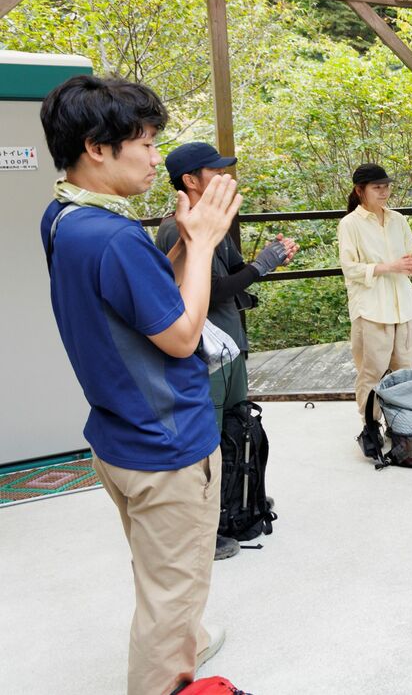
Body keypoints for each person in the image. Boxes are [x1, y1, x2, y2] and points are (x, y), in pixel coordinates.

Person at [39, 75, 240, 695]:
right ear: (97, 147)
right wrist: (205, 243)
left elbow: (149, 300)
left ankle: (188, 636)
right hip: (168, 443)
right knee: (173, 591)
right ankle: (166, 675)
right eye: (147, 144)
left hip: (117, 432)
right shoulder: (116, 236)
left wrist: (182, 243)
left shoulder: (64, 217)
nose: (157, 159)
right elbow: (181, 335)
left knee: (160, 572)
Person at [156, 142, 297, 560]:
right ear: (190, 180)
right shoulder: (173, 228)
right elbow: (212, 289)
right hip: (203, 350)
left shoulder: (216, 224)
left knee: (237, 424)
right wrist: (263, 265)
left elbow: (234, 273)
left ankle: (239, 504)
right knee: (209, 438)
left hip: (231, 343)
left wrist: (266, 260)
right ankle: (205, 526)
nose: (223, 177)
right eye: (214, 171)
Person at [337, 163, 412, 426]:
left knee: (404, 371)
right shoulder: (350, 224)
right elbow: (349, 268)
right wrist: (390, 267)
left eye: (386, 186)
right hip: (372, 309)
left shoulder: (398, 220)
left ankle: (402, 423)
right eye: (377, 187)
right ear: (360, 190)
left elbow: (409, 259)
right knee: (371, 372)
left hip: (404, 306)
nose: (384, 192)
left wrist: (411, 265)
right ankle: (371, 427)